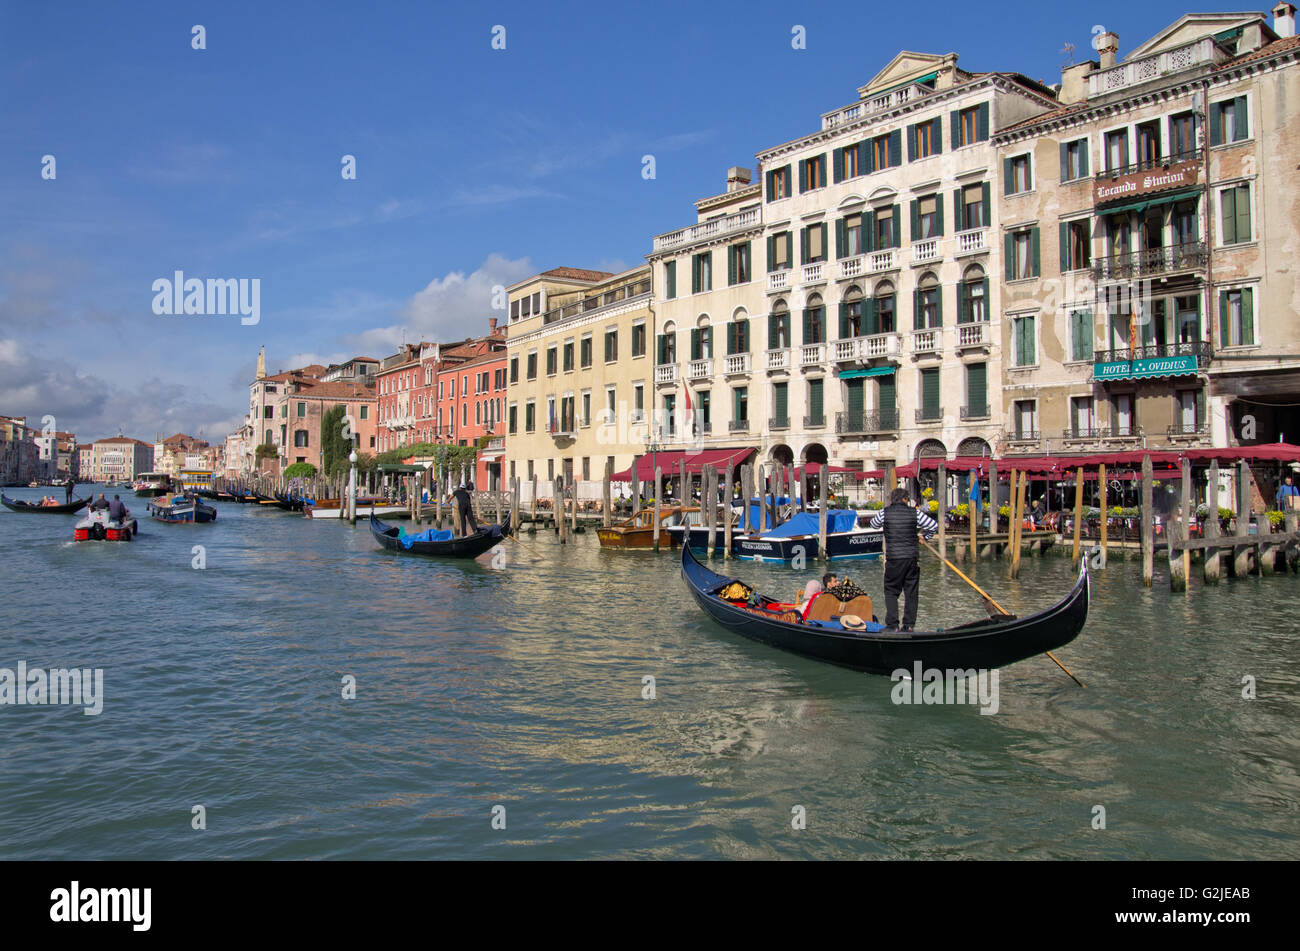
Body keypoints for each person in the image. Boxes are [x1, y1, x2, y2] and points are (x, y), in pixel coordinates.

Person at [868, 488, 939, 632]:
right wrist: (925, 537)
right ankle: (908, 626)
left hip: (894, 558)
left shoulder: (884, 513)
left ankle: (892, 625)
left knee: (891, 591)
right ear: (905, 499)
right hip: (912, 558)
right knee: (911, 592)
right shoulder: (915, 513)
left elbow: (873, 524)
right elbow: (933, 526)